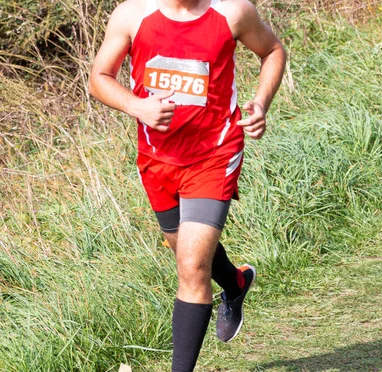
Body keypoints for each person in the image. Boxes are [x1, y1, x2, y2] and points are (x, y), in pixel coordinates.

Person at [88, 0, 286, 369]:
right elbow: (99, 77)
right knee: (187, 255)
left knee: (192, 267)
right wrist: (137, 106)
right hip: (156, 159)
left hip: (214, 153)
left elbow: (273, 50)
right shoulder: (132, 13)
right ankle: (236, 283)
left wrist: (260, 104)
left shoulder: (232, 12)